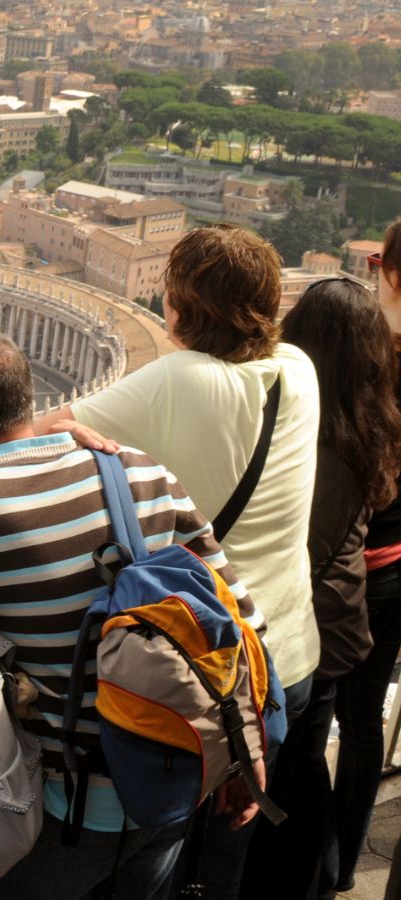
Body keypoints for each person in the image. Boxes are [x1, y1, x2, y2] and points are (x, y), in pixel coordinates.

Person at [0, 330, 261, 900]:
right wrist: (240, 756)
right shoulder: (140, 469)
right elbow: (240, 619)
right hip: (174, 777)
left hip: (67, 809)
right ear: (27, 403)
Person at [38, 224, 320, 896]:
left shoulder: (176, 380)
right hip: (286, 668)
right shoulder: (300, 372)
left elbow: (35, 434)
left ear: (179, 308)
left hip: (204, 672)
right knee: (224, 860)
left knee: (163, 858)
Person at [239, 277, 401, 899]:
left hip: (310, 626)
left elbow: (303, 549)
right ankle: (319, 871)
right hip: (337, 618)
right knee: (306, 759)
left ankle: (305, 876)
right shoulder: (369, 422)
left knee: (296, 765)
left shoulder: (320, 439)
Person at [326, 219, 401, 896]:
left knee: (337, 714)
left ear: (388, 270)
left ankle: (321, 860)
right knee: (366, 717)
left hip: (360, 565)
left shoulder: (369, 355)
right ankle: (345, 863)